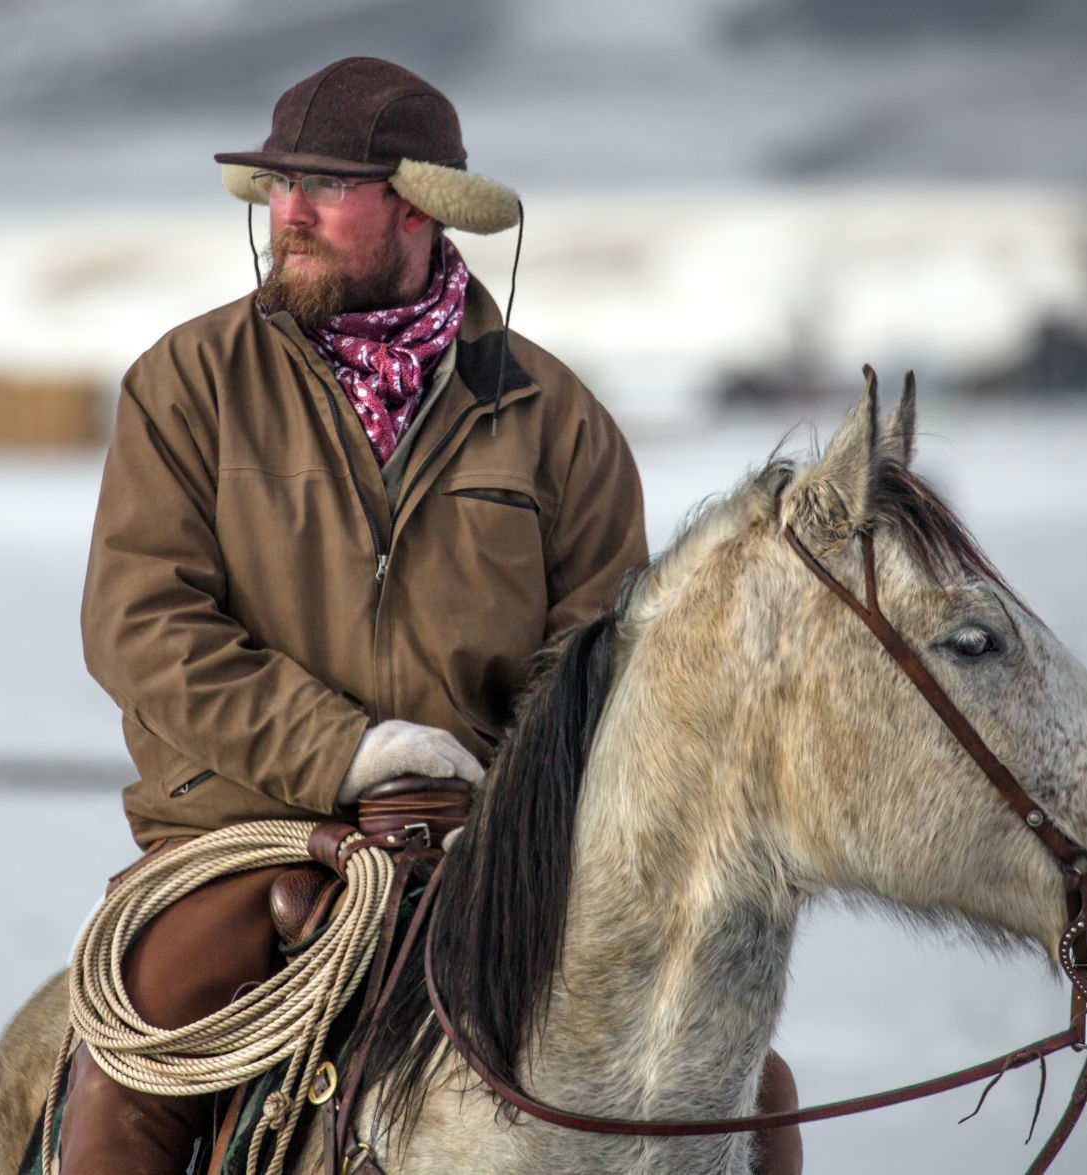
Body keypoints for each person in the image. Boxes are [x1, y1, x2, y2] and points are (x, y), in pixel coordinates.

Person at [60, 56, 799, 1175]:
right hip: (241, 826)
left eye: (322, 187)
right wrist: (346, 751)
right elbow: (139, 620)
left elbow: (607, 663)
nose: (286, 213)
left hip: (497, 848)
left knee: (745, 1088)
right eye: (276, 186)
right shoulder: (187, 384)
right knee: (138, 1053)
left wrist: (497, 797)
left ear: (417, 204)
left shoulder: (555, 419)